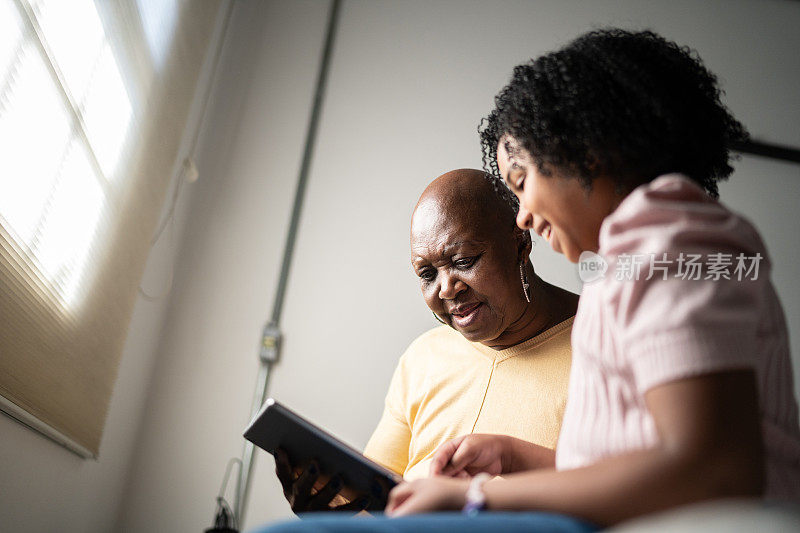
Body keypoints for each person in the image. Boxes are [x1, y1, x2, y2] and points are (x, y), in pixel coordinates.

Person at [258, 28, 800, 533]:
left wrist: (477, 500)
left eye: (522, 183)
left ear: (589, 151)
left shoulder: (669, 242)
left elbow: (716, 470)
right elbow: (635, 467)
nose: (522, 215)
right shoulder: (634, 261)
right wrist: (515, 459)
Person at [273, 168, 579, 513]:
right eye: (427, 274)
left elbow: (616, 487)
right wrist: (331, 514)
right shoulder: (424, 358)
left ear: (521, 244)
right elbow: (377, 505)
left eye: (463, 261)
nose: (447, 288)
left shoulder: (601, 342)